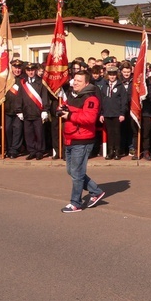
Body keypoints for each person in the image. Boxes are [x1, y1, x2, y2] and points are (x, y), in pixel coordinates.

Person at [58, 71, 105, 213]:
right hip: (70, 138)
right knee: (71, 171)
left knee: (77, 172)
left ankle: (75, 203)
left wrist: (69, 114)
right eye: (74, 80)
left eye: (79, 81)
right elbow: (63, 107)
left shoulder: (91, 99)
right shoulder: (73, 96)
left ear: (86, 83)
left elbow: (89, 119)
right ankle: (95, 191)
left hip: (82, 140)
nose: (75, 82)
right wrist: (61, 109)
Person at [20, 63, 49, 160]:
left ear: (35, 71)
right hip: (27, 112)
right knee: (29, 133)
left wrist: (45, 110)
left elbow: (44, 96)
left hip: (37, 112)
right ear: (26, 71)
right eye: (28, 70)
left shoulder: (41, 82)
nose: (30, 72)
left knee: (39, 133)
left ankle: (40, 151)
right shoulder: (23, 82)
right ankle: (32, 151)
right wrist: (19, 110)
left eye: (32, 70)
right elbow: (20, 98)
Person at [98, 65, 127, 160]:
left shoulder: (120, 86)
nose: (112, 77)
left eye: (114, 74)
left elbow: (124, 100)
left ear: (116, 75)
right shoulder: (104, 86)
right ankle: (110, 151)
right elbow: (102, 100)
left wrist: (122, 113)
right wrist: (101, 113)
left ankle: (117, 151)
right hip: (107, 113)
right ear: (107, 75)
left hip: (117, 114)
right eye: (110, 75)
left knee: (117, 133)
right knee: (110, 133)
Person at [3, 59, 25, 158]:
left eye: (19, 67)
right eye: (15, 67)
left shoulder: (24, 79)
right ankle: (8, 148)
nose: (17, 69)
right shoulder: (6, 79)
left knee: (17, 130)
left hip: (19, 111)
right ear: (11, 68)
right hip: (7, 110)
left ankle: (14, 150)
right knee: (8, 130)